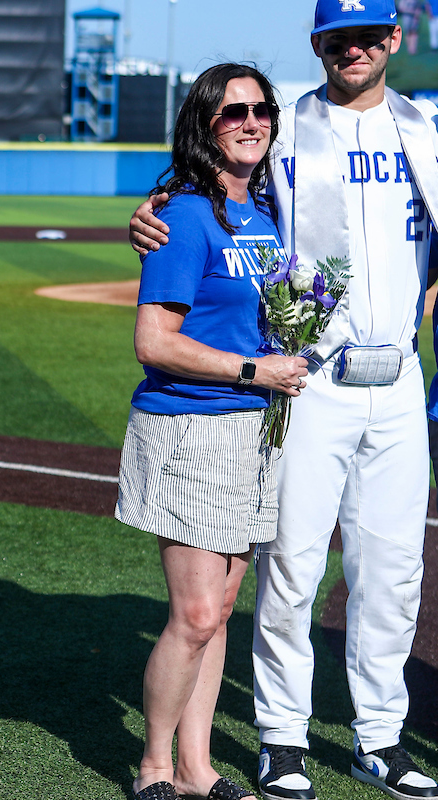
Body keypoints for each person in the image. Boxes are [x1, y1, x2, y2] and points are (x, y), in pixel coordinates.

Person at [128, 3, 438, 799]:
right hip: (309, 380)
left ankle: (380, 736)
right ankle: (281, 739)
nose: (356, 49)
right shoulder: (287, 128)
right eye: (340, 38)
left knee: (393, 572)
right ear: (319, 46)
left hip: (398, 379)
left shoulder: (430, 131)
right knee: (291, 569)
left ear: (395, 41)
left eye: (371, 35)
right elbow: (208, 184)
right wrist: (148, 212)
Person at [114, 64, 309, 800]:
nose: (251, 122)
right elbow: (154, 341)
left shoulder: (265, 216)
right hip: (190, 423)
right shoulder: (184, 214)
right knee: (194, 613)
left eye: (261, 110)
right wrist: (255, 371)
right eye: (233, 113)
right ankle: (154, 766)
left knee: (221, 611)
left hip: (253, 433)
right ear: (205, 124)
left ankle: (198, 769)